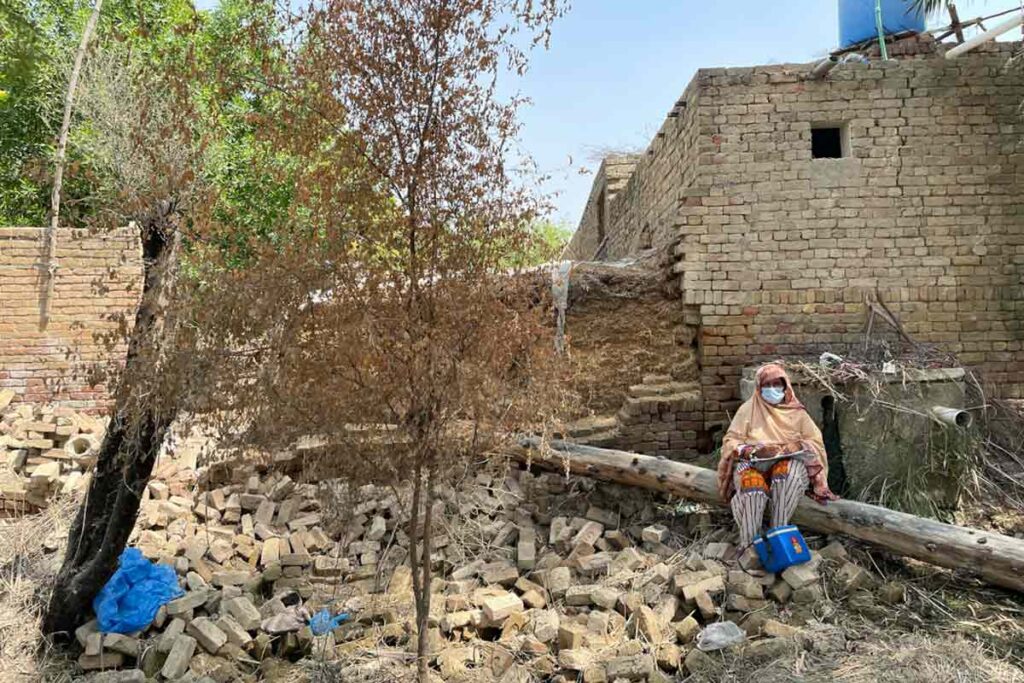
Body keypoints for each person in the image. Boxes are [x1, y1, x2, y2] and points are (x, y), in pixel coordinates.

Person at [717, 363, 838, 550]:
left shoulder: (796, 412)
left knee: (785, 476)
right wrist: (749, 450)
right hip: (753, 465)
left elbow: (815, 443)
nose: (773, 389)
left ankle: (778, 535)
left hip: (789, 466)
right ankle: (750, 548)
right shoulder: (748, 409)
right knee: (753, 488)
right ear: (759, 387)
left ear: (785, 386)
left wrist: (794, 446)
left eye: (777, 384)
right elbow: (730, 441)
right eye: (767, 385)